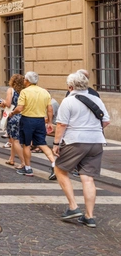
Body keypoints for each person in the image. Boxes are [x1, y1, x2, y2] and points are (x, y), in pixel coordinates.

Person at [53, 72, 110, 228]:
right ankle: (89, 216)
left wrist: (56, 143)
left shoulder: (68, 101)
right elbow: (106, 121)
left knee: (60, 170)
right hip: (96, 141)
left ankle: (73, 207)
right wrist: (92, 129)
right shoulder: (96, 99)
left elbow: (61, 125)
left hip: (75, 141)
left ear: (70, 86)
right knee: (88, 178)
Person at [9, 71, 56, 178]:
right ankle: (54, 163)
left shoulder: (25, 92)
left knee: (26, 144)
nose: (24, 81)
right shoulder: (44, 92)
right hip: (40, 120)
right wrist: (49, 122)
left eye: (25, 79)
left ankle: (28, 168)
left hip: (27, 120)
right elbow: (50, 108)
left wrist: (13, 112)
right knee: (42, 144)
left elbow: (20, 108)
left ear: (28, 81)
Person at [0, 74, 24, 167]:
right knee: (13, 139)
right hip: (22, 115)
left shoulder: (11, 90)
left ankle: (23, 162)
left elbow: (9, 103)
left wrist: (3, 102)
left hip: (13, 115)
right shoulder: (24, 91)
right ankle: (11, 158)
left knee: (15, 140)